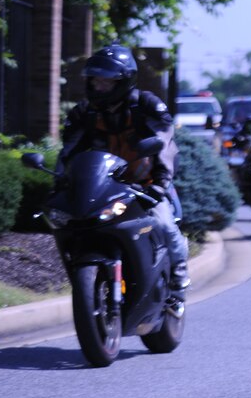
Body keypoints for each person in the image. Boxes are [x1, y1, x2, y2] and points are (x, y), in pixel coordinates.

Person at [58, 44, 190, 295]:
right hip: (104, 186)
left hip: (146, 184)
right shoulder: (84, 112)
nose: (98, 86)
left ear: (123, 81)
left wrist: (160, 184)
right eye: (94, 80)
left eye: (105, 81)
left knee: (163, 224)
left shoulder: (147, 106)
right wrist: (61, 182)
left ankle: (179, 272)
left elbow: (164, 145)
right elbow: (69, 151)